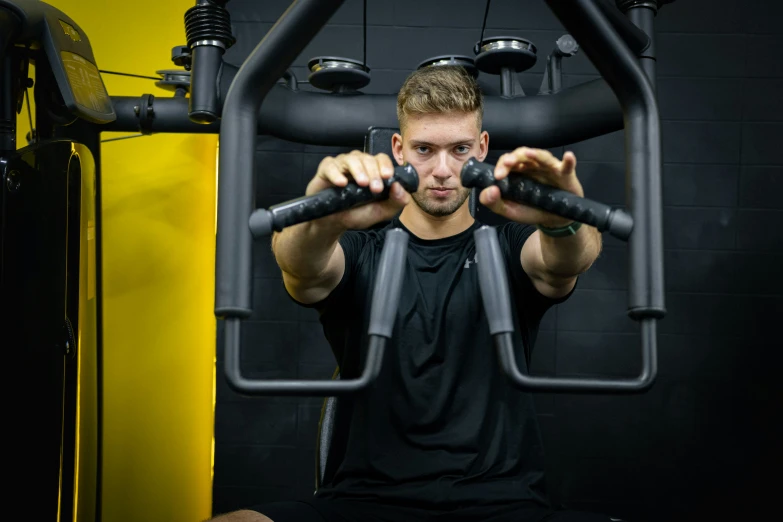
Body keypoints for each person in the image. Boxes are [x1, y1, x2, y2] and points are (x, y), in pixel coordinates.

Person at [209, 66, 606, 522]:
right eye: (424, 149)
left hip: (501, 503)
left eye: (459, 150)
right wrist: (328, 216)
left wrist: (561, 217)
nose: (441, 171)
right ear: (399, 149)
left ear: (481, 148)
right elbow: (299, 263)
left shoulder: (508, 249)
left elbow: (567, 260)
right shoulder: (360, 251)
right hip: (364, 501)